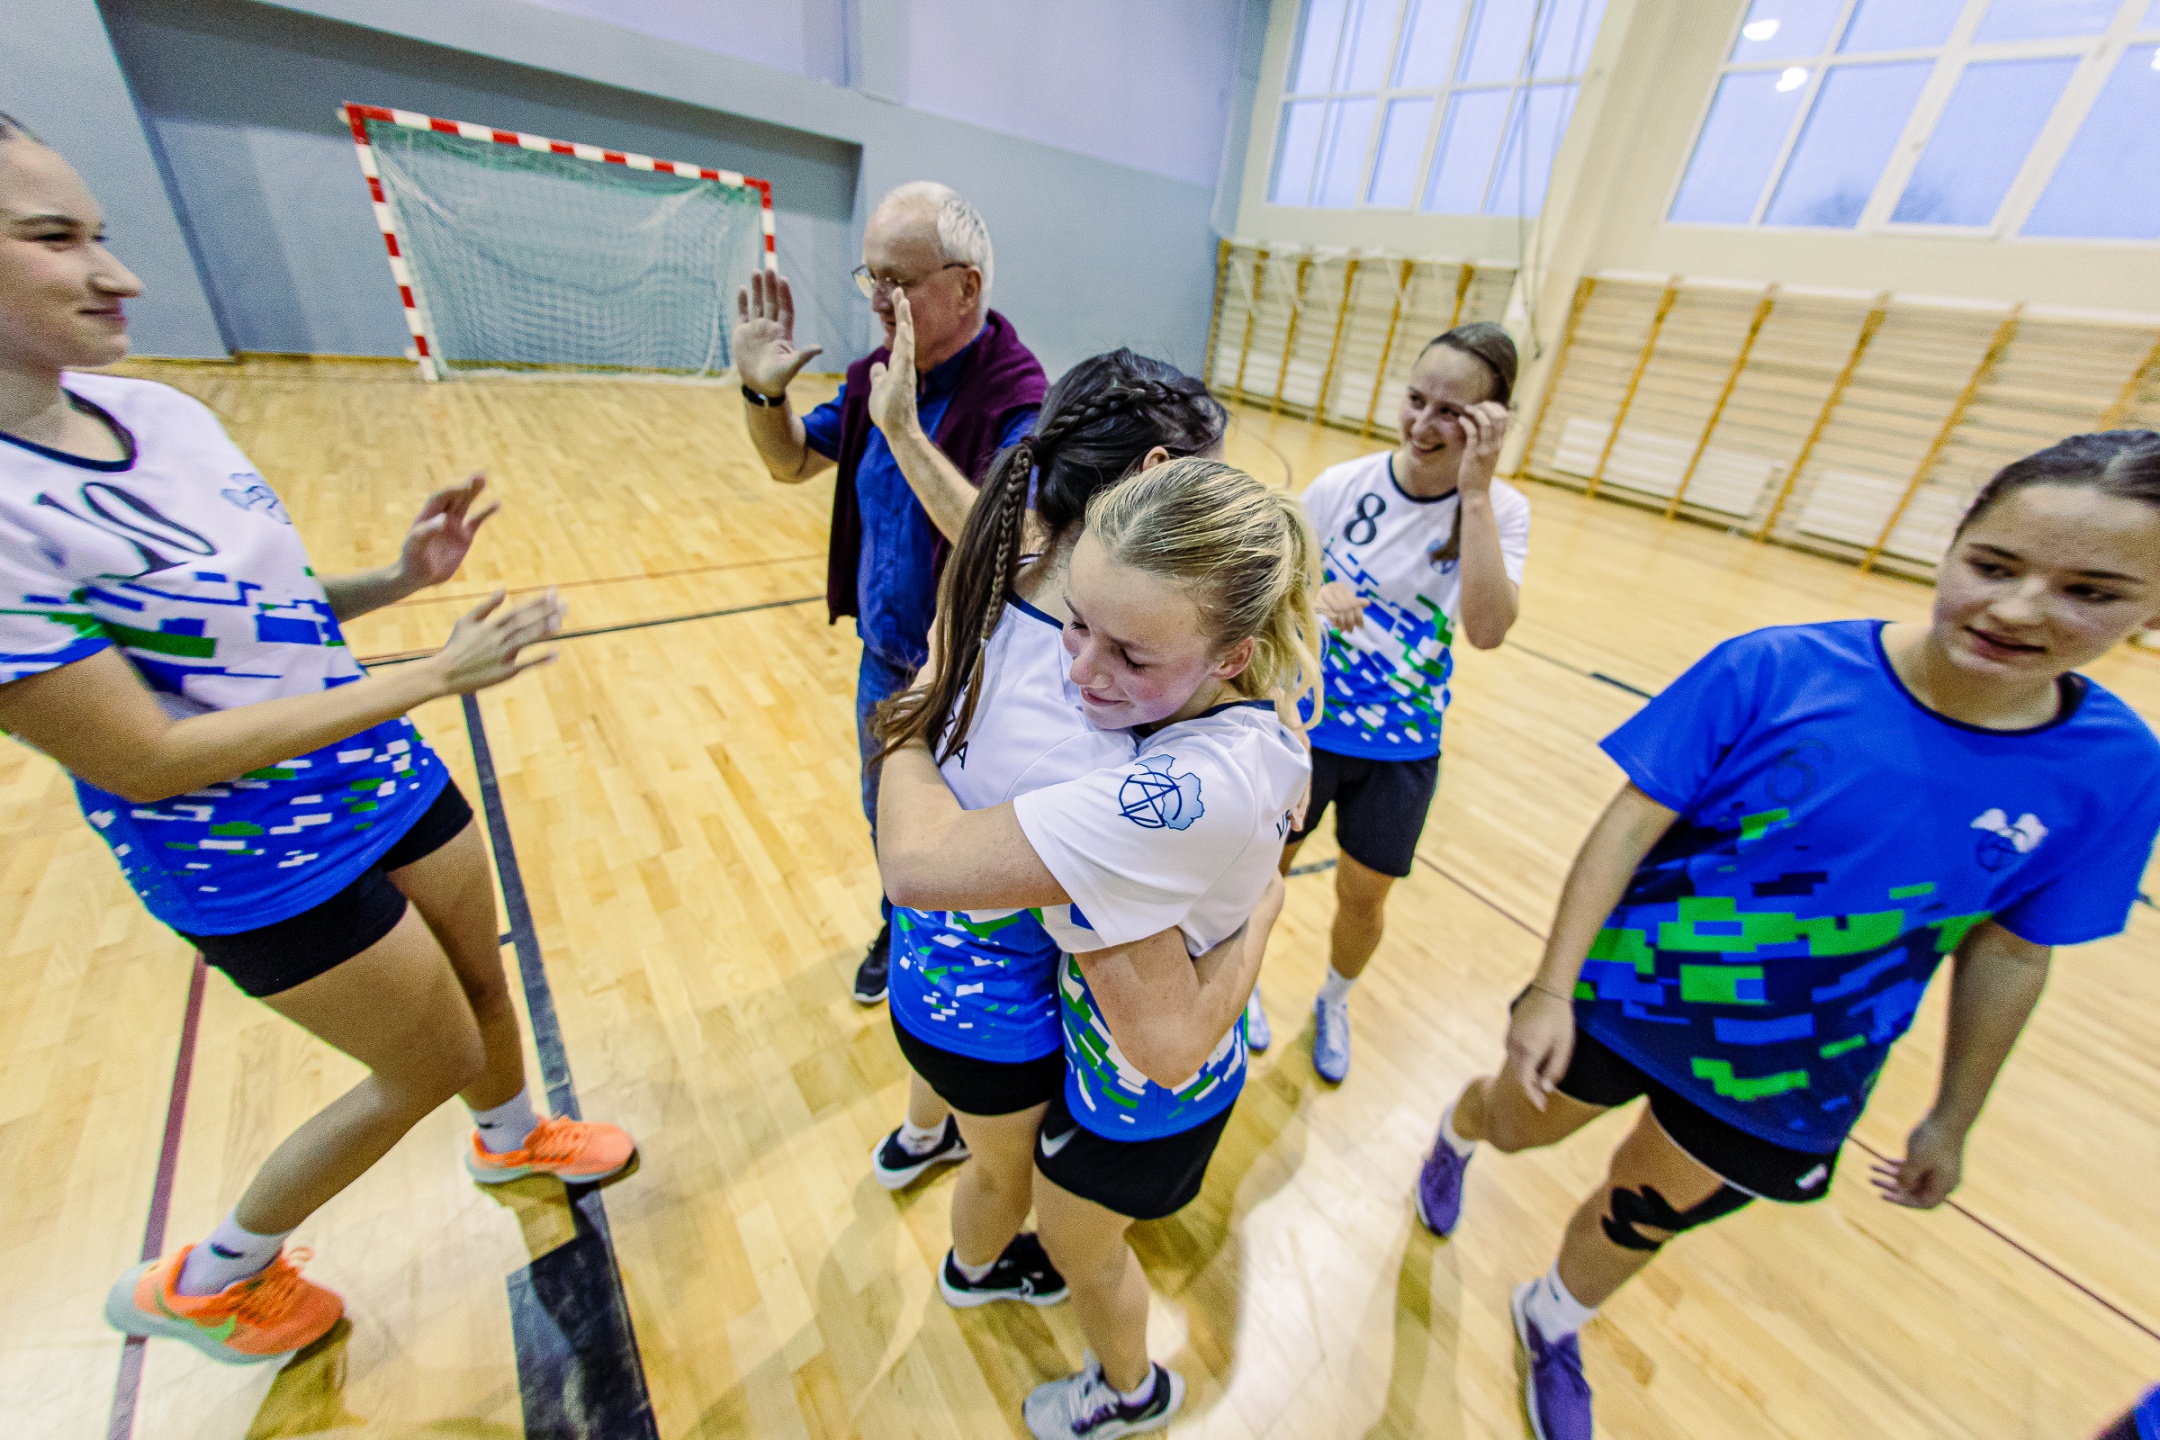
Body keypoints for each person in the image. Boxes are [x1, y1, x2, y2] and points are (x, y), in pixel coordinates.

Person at [0, 115, 633, 1365]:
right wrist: (429, 676)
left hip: (378, 776)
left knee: (483, 979)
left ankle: (513, 1139)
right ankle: (212, 1277)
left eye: (101, 234)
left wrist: (394, 581)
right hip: (253, 855)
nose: (118, 275)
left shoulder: (160, 414)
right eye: (54, 239)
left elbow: (251, 615)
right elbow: (143, 758)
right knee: (424, 1061)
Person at [1409, 432, 2160, 1440]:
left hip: (1796, 1067)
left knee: (1642, 1211)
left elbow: (2017, 947)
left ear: (2153, 611)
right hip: (1628, 1000)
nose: (2019, 609)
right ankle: (1458, 1135)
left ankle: (1552, 1317)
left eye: (2090, 592)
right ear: (1951, 545)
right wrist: (1550, 991)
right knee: (1516, 1123)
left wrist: (1954, 1117)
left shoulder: (2116, 769)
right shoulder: (1777, 670)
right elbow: (1629, 823)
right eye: (1993, 565)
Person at [877, 457, 1317, 1440]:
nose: (1080, 671)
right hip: (1114, 1065)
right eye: (1076, 623)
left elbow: (1168, 1044)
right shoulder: (1244, 708)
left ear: (1231, 656)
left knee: (1082, 1250)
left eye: (1131, 655)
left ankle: (1131, 1391)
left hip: (1139, 1098)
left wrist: (909, 722)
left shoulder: (1165, 799)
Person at [862, 353, 1229, 1319]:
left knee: (952, 1107)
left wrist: (902, 723)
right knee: (1002, 1179)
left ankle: (919, 1136)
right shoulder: (1104, 717)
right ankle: (973, 1272)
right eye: (1210, 481)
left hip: (926, 975)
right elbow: (1165, 1035)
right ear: (1155, 475)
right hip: (993, 1022)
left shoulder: (995, 574)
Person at [732, 181, 1044, 1007]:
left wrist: (902, 429)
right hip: (885, 660)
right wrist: (764, 396)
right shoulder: (876, 372)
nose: (876, 299)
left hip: (975, 673)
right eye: (869, 276)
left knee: (965, 831)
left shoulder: (1020, 394)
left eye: (897, 280)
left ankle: (964, 954)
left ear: (966, 287)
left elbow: (1008, 540)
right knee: (888, 818)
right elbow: (791, 460)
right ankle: (896, 925)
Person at [1268, 321, 1528, 1083]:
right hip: (1307, 727)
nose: (1422, 424)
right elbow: (1270, 591)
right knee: (1261, 874)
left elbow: (1487, 630)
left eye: (1450, 412)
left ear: (1490, 421)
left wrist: (1474, 492)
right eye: (1416, 400)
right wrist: (1314, 593)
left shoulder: (1502, 511)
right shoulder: (1341, 487)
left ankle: (1334, 999)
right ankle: (1240, 988)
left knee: (1362, 899)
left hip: (1403, 746)